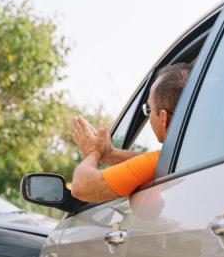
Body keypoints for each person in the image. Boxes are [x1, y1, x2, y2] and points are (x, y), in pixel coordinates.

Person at [70, 62, 192, 202]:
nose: (149, 115)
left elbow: (82, 186)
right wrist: (109, 154)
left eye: (149, 109)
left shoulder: (165, 161)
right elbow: (143, 164)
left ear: (163, 118)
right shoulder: (190, 155)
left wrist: (93, 153)